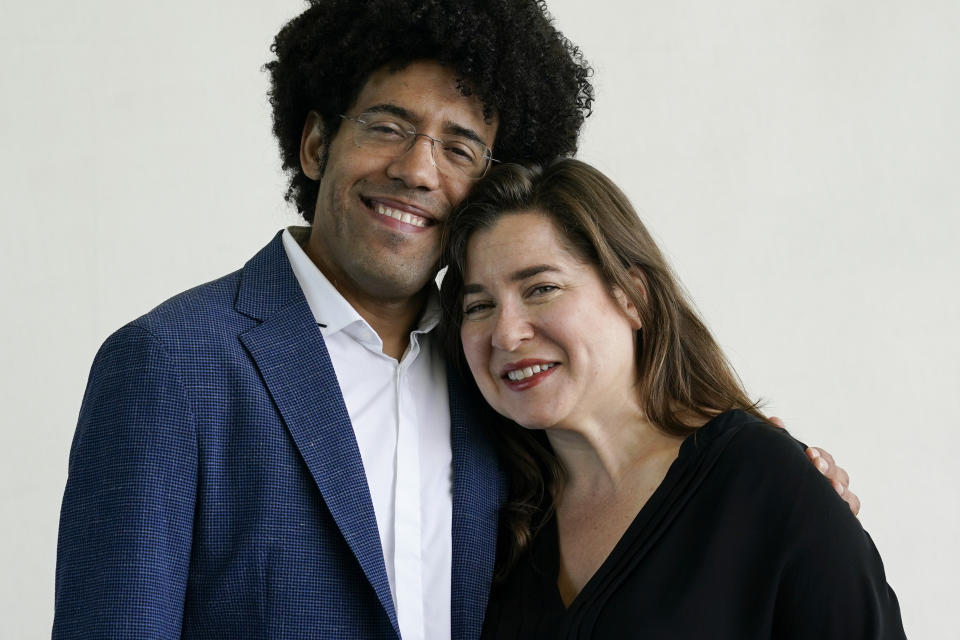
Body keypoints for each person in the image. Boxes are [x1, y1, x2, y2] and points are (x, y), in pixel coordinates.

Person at [53, 1, 857, 638]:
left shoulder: (502, 379)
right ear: (313, 144)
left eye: (460, 146)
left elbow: (636, 493)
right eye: (388, 126)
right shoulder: (170, 364)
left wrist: (778, 490)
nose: (416, 169)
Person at [439, 158, 904, 638]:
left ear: (632, 296)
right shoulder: (494, 514)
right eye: (479, 306)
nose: (506, 333)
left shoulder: (765, 481)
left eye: (541, 289)